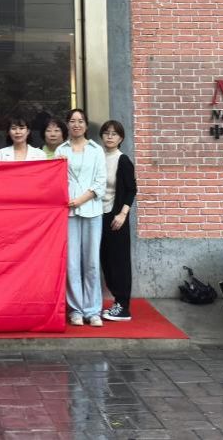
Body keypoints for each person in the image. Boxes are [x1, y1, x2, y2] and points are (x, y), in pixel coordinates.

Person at [56, 110, 106, 327]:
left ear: (86, 125)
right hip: (68, 212)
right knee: (72, 262)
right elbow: (55, 180)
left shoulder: (96, 150)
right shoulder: (61, 150)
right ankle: (76, 309)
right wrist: (69, 200)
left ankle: (93, 310)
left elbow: (100, 182)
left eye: (80, 121)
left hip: (92, 210)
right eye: (72, 121)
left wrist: (81, 200)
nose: (76, 125)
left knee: (92, 262)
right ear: (67, 125)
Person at [99, 119, 136, 322]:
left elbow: (131, 190)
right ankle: (116, 301)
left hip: (116, 218)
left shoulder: (123, 160)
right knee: (105, 261)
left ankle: (123, 306)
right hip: (99, 216)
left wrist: (122, 214)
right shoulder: (97, 157)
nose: (110, 137)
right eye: (106, 133)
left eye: (114, 134)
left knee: (119, 262)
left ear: (121, 138)